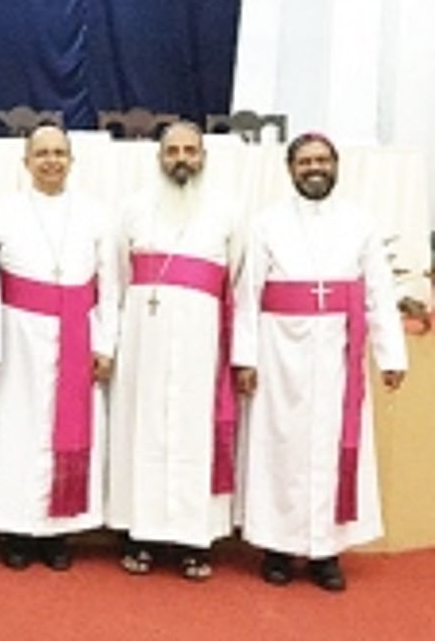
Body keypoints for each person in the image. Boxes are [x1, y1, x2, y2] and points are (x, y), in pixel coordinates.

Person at [233, 133, 406, 592]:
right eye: (306, 161)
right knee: (279, 445)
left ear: (335, 166)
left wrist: (391, 354)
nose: (315, 168)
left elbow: (378, 293)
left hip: (338, 352)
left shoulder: (359, 223)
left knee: (333, 446)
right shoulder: (266, 222)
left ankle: (326, 552)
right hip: (278, 352)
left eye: (323, 160)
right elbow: (247, 293)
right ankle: (276, 548)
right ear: (290, 169)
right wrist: (244, 357)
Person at [105, 121, 242, 580]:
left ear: (203, 157)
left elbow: (238, 281)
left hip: (203, 342)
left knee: (192, 432)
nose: (181, 158)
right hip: (143, 340)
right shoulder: (132, 209)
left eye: (190, 150)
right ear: (159, 157)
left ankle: (194, 540)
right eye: (173, 151)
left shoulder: (226, 211)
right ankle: (139, 534)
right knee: (140, 429)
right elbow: (115, 280)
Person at [0, 124, 118, 571]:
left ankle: (59, 533)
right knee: (17, 430)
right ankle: (16, 530)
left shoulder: (96, 213)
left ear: (71, 160)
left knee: (70, 430)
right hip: (19, 335)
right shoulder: (3, 212)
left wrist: (105, 343)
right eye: (41, 153)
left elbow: (109, 286)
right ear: (26, 162)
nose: (51, 161)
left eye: (59, 153)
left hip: (77, 335)